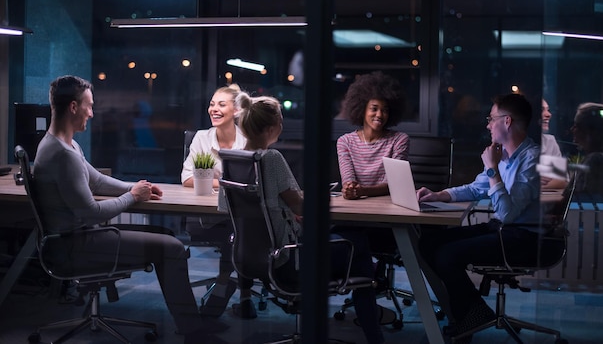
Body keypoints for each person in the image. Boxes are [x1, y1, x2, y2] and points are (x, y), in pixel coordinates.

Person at [33, 75, 226, 344]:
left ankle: (191, 324)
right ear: (74, 107)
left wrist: (134, 187)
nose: (92, 112)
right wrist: (133, 197)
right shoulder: (61, 154)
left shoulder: (65, 145)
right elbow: (90, 213)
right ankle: (194, 333)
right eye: (89, 106)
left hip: (78, 238)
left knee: (161, 235)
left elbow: (97, 180)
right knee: (171, 248)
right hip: (73, 245)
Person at [219, 91, 386, 344]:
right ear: (273, 127)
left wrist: (281, 213)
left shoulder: (233, 159)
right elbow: (301, 206)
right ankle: (375, 337)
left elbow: (228, 207)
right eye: (281, 120)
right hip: (289, 259)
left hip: (252, 258)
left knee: (344, 240)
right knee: (357, 245)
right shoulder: (271, 158)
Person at [416, 93, 541, 343]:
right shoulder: (502, 154)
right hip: (502, 229)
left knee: (448, 255)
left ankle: (470, 318)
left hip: (525, 237)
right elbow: (475, 188)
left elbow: (507, 213)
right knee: (428, 243)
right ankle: (472, 313)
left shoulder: (533, 159)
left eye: (491, 118)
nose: (487, 125)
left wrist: (492, 168)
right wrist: (438, 194)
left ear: (507, 121)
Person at [180, 84, 257, 319]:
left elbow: (253, 182)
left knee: (239, 229)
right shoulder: (202, 138)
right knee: (237, 232)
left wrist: (217, 178)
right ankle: (235, 290)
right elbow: (186, 178)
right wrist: (224, 181)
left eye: (221, 104)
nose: (213, 108)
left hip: (242, 212)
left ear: (236, 110)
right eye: (212, 104)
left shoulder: (249, 139)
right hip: (208, 215)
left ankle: (226, 286)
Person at [337, 71, 409, 200]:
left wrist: (362, 191)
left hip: (388, 206)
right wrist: (349, 188)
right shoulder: (345, 141)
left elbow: (393, 184)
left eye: (385, 110)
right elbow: (348, 179)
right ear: (362, 109)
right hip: (357, 205)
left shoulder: (399, 140)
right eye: (374, 109)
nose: (380, 115)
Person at [568, 99, 603, 197]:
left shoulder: (595, 161)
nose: (572, 129)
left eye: (576, 125)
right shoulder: (600, 158)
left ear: (589, 132)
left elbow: (587, 200)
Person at [540, 98, 568, 189]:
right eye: (541, 110)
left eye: (548, 110)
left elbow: (562, 181)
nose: (549, 114)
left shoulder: (549, 142)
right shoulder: (508, 142)